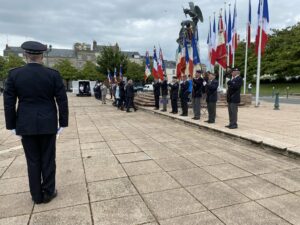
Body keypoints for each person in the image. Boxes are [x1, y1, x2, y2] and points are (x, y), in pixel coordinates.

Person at [3, 41, 68, 204]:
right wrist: (63, 122)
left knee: (32, 161)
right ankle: (48, 191)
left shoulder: (14, 74)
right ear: (42, 56)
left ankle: (36, 195)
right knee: (48, 159)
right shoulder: (53, 74)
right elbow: (62, 100)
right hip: (48, 123)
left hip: (25, 124)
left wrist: (11, 125)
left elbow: (9, 102)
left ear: (26, 55)